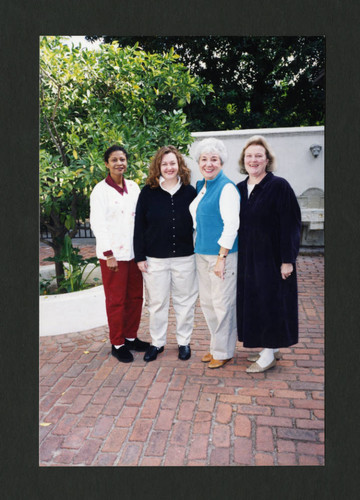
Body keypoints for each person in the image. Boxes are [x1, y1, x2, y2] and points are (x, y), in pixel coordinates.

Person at [236, 135, 301, 373]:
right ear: (244, 160)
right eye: (249, 156)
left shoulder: (279, 186)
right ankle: (269, 348)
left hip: (273, 259)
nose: (253, 160)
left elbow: (291, 225)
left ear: (267, 160)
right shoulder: (240, 188)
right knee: (256, 303)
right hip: (249, 259)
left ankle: (268, 354)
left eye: (258, 156)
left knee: (271, 303)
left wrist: (288, 260)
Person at [134, 145, 198, 362]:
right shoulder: (148, 193)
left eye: (173, 163)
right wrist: (140, 256)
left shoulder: (190, 192)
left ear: (179, 165)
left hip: (185, 258)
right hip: (155, 260)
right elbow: (139, 226)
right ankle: (157, 342)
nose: (169, 167)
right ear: (158, 167)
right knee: (157, 303)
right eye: (164, 164)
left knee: (184, 302)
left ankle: (183, 342)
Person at [90, 145, 150, 363]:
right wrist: (109, 254)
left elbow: (141, 219)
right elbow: (98, 224)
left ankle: (131, 337)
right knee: (116, 300)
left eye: (122, 159)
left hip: (134, 254)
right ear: (106, 164)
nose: (119, 163)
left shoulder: (133, 187)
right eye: (114, 160)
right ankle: (117, 343)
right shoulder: (100, 190)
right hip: (113, 256)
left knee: (135, 298)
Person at [189, 138, 240, 369]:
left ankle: (224, 351)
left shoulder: (227, 187)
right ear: (198, 162)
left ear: (221, 162)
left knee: (223, 304)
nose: (208, 164)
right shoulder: (203, 186)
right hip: (201, 253)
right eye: (204, 159)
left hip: (221, 256)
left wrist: (221, 258)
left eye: (214, 159)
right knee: (208, 304)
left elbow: (231, 225)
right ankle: (216, 347)